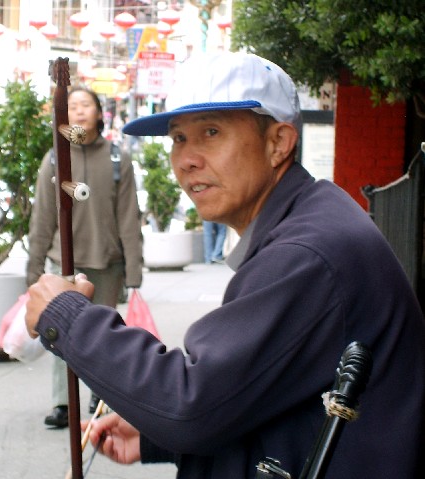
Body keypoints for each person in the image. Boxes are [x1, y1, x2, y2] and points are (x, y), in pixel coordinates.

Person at [24, 52, 425, 478]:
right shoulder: (308, 220)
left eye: (211, 132)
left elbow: (189, 401)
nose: (186, 159)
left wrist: (66, 318)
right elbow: (254, 394)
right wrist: (156, 438)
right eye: (178, 138)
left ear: (278, 143)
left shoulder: (307, 252)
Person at [26, 87, 143, 429]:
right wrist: (33, 269)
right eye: (72, 106)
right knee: (58, 331)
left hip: (107, 263)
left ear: (98, 112)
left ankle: (98, 398)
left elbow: (128, 216)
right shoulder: (54, 159)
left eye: (85, 105)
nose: (78, 112)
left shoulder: (118, 157)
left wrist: (133, 272)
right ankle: (63, 403)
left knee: (102, 335)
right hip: (62, 264)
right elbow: (43, 218)